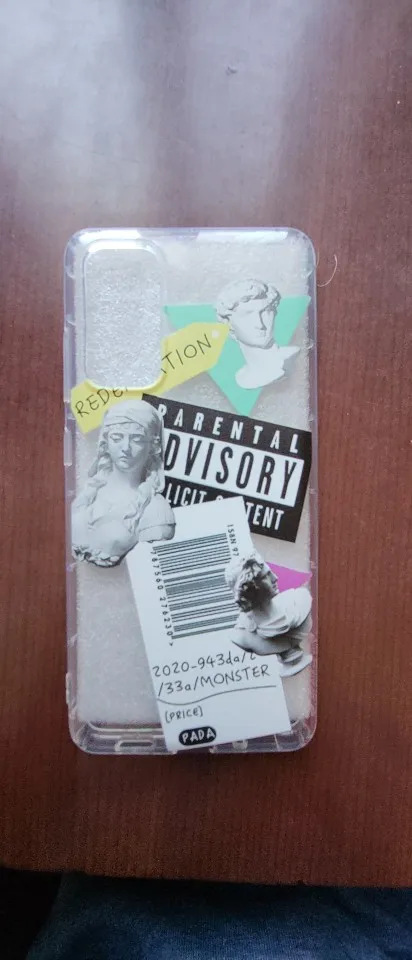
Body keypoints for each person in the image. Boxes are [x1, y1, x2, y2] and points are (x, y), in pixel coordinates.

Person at [72, 400, 175, 567]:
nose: (126, 447)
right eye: (117, 438)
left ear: (152, 446)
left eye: (137, 439)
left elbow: (149, 569)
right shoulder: (89, 492)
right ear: (105, 443)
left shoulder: (155, 511)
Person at [225, 551, 312, 676]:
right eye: (266, 575)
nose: (275, 578)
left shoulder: (300, 600)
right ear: (250, 586)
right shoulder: (242, 636)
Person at [216, 279, 299, 388]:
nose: (259, 324)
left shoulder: (294, 358)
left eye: (266, 312)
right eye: (246, 315)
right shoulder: (241, 377)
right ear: (228, 324)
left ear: (274, 313)